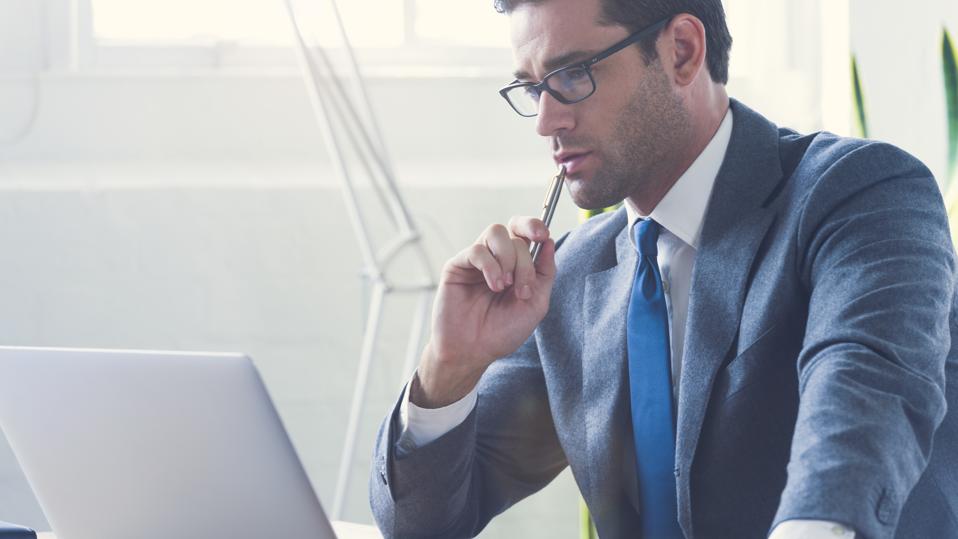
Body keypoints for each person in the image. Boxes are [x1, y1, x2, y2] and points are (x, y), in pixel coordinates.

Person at [368, 0, 958, 537]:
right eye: (532, 89)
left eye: (573, 74)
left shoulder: (860, 193)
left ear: (681, 51)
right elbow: (421, 527)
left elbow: (864, 395)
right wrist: (450, 367)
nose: (547, 122)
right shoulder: (569, 277)